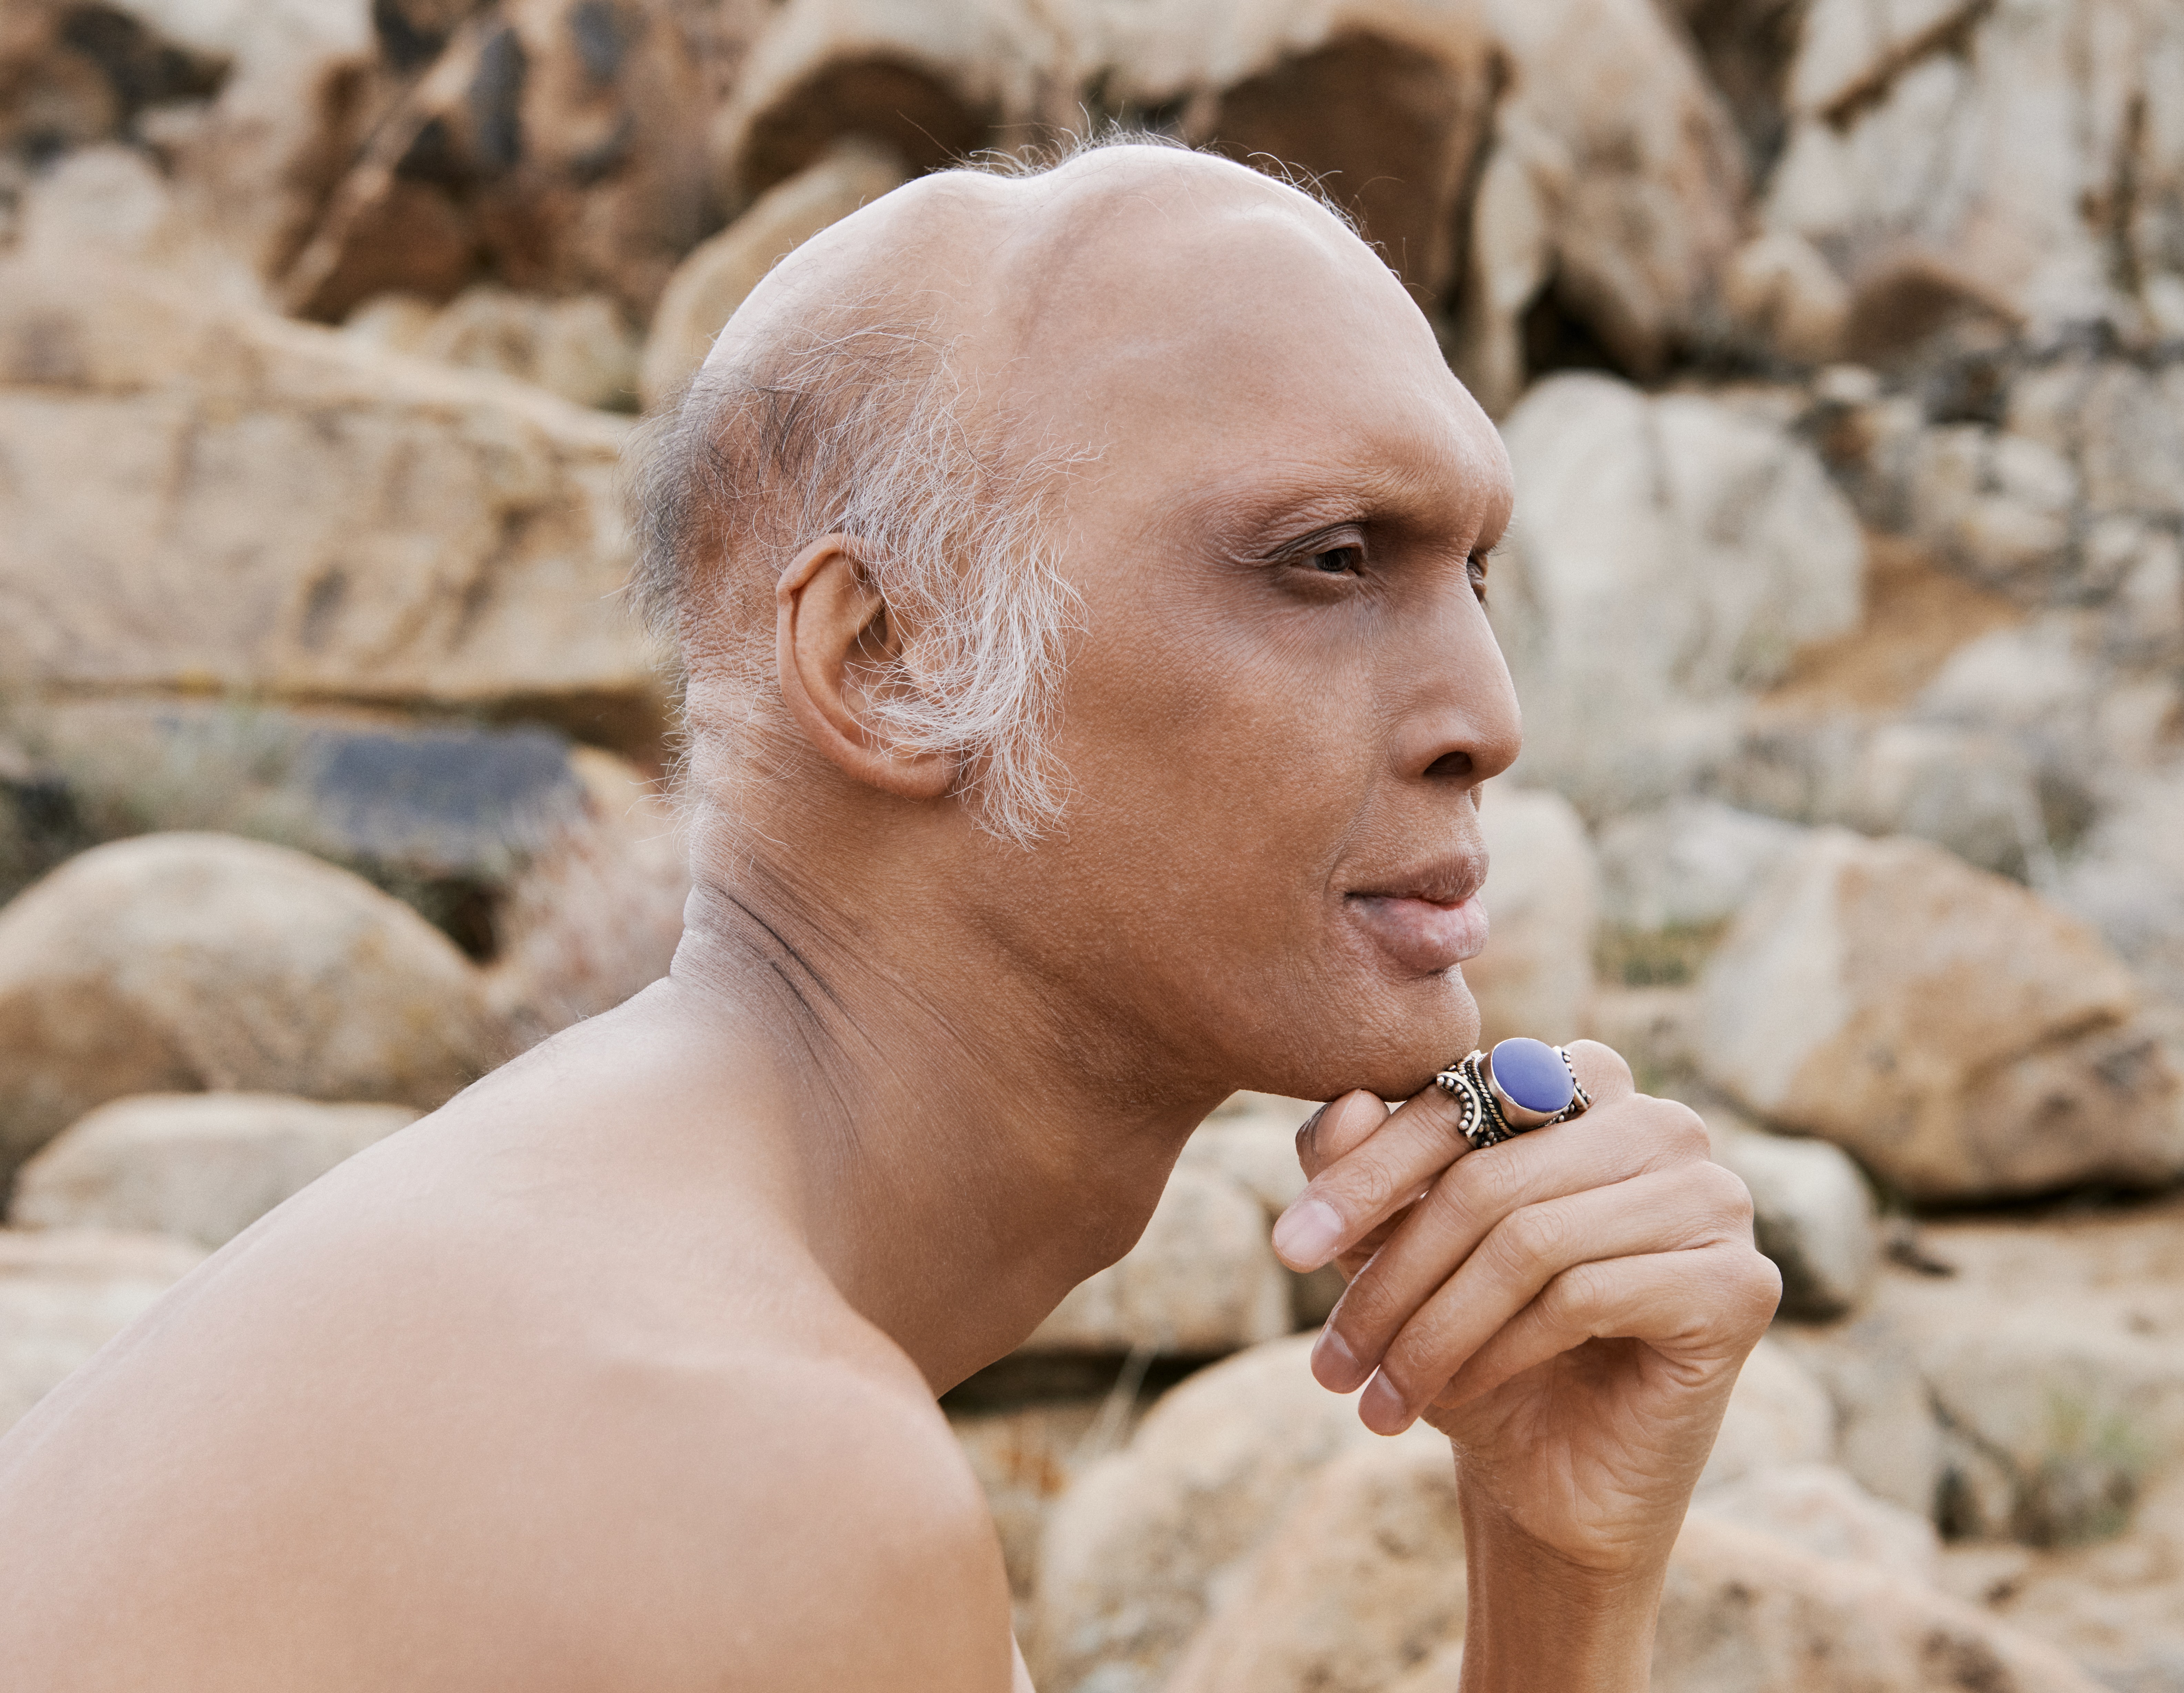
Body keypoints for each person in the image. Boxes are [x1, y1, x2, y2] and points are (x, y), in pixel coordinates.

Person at [0, 139, 1778, 1690]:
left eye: (1472, 570)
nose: (1490, 711)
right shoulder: (739, 1463)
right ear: (890, 661)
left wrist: (1560, 1561)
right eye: (1329, 561)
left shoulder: (597, 1284)